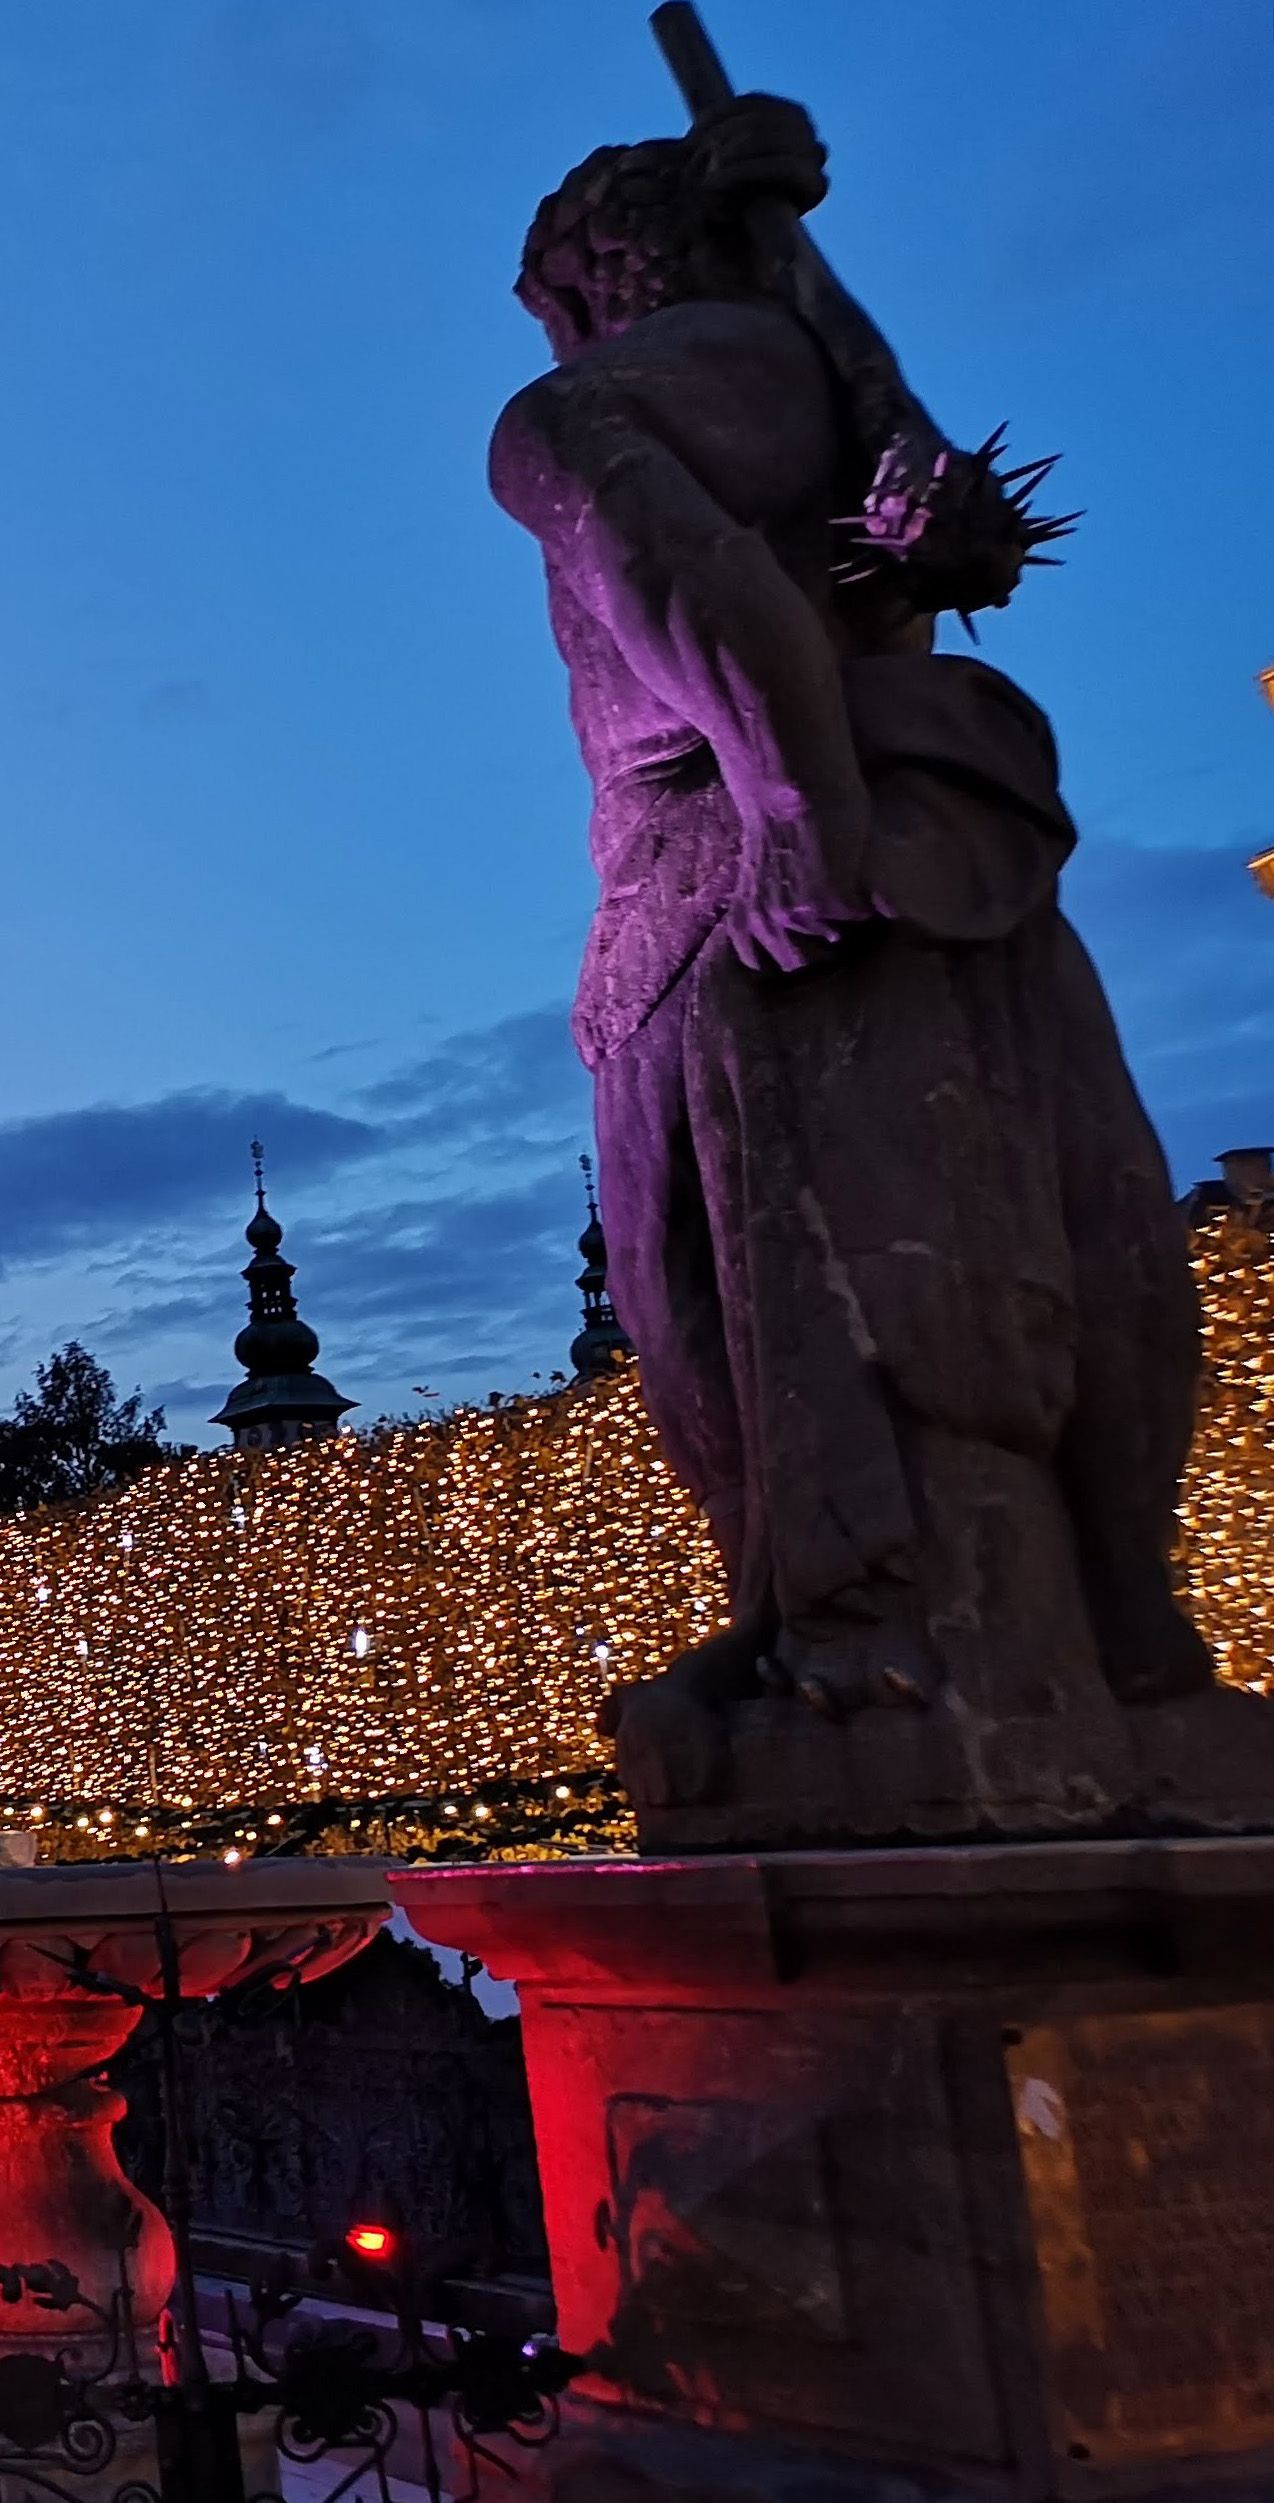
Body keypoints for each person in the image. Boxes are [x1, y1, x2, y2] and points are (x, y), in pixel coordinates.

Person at [491, 94, 1213, 1808]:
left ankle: (843, 1636)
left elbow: (684, 573)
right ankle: (1130, 1627)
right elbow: (942, 519)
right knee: (1065, 1216)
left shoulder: (572, 411)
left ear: (588, 284)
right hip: (963, 831)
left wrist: (791, 806)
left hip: (741, 876)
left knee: (737, 1303)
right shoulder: (838, 394)